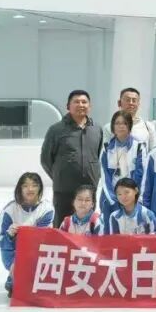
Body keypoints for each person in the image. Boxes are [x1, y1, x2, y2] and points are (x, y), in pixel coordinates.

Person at [40, 89, 103, 227]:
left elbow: (96, 155)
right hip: (64, 190)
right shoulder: (56, 130)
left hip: (89, 189)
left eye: (84, 102)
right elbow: (45, 159)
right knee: (62, 225)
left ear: (89, 106)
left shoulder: (97, 129)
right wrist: (60, 175)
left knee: (88, 226)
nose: (81, 105)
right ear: (68, 106)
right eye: (76, 102)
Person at [0, 172, 54, 295]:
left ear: (40, 188)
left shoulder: (46, 209)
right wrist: (10, 235)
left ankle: (27, 278)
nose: (30, 189)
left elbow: (44, 238)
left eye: (34, 185)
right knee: (20, 276)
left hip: (36, 251)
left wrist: (27, 233)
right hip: (13, 251)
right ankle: (14, 278)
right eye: (25, 186)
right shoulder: (10, 210)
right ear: (20, 188)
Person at [98, 110, 146, 218]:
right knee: (110, 226)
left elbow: (140, 174)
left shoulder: (139, 147)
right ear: (113, 126)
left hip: (131, 197)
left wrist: (131, 196)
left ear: (129, 126)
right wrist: (113, 198)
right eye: (117, 123)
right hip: (110, 198)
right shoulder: (106, 147)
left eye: (124, 123)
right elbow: (105, 175)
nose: (121, 126)